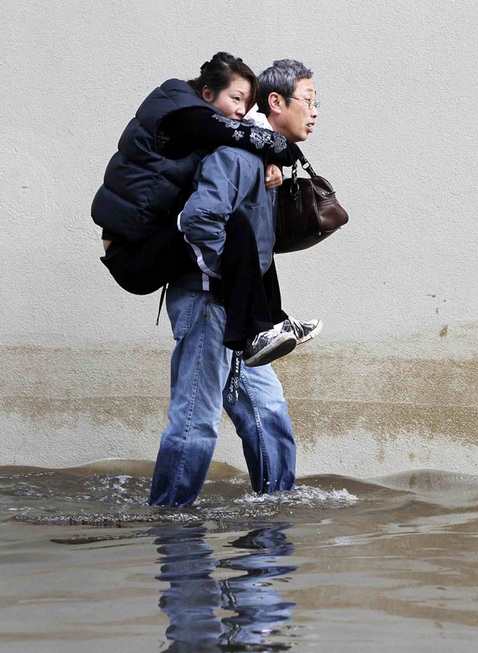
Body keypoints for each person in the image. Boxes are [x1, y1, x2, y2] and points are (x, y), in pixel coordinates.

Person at [148, 59, 322, 507]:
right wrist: (227, 282)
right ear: (276, 103)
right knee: (196, 419)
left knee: (268, 410)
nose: (315, 111)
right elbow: (199, 219)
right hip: (209, 301)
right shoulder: (239, 155)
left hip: (238, 312)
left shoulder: (262, 158)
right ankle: (168, 522)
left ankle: (274, 513)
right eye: (308, 100)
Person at [92, 52, 320, 366]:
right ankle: (257, 329)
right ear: (208, 93)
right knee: (236, 227)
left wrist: (272, 159)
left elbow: (239, 133)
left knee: (244, 226)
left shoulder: (205, 123)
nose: (241, 110)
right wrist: (278, 148)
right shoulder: (180, 113)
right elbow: (231, 133)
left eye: (247, 102)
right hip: (131, 252)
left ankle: (271, 320)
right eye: (236, 99)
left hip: (152, 237)